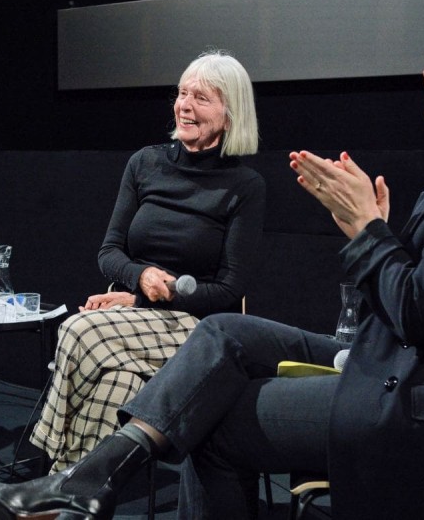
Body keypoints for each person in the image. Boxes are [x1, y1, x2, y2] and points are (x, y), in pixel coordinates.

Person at [0, 4, 424, 520]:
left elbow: (419, 311)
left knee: (198, 412)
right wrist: (375, 233)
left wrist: (369, 230)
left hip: (422, 396)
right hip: (384, 359)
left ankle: (76, 481)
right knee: (221, 334)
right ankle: (81, 481)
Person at [28, 51, 266, 472]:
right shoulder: (145, 163)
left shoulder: (244, 186)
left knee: (78, 330)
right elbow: (109, 252)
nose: (185, 105)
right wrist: (141, 276)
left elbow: (230, 291)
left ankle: (43, 465)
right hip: (131, 323)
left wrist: (140, 301)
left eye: (201, 98)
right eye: (182, 93)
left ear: (230, 115)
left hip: (198, 328)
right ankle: (70, 490)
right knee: (116, 382)